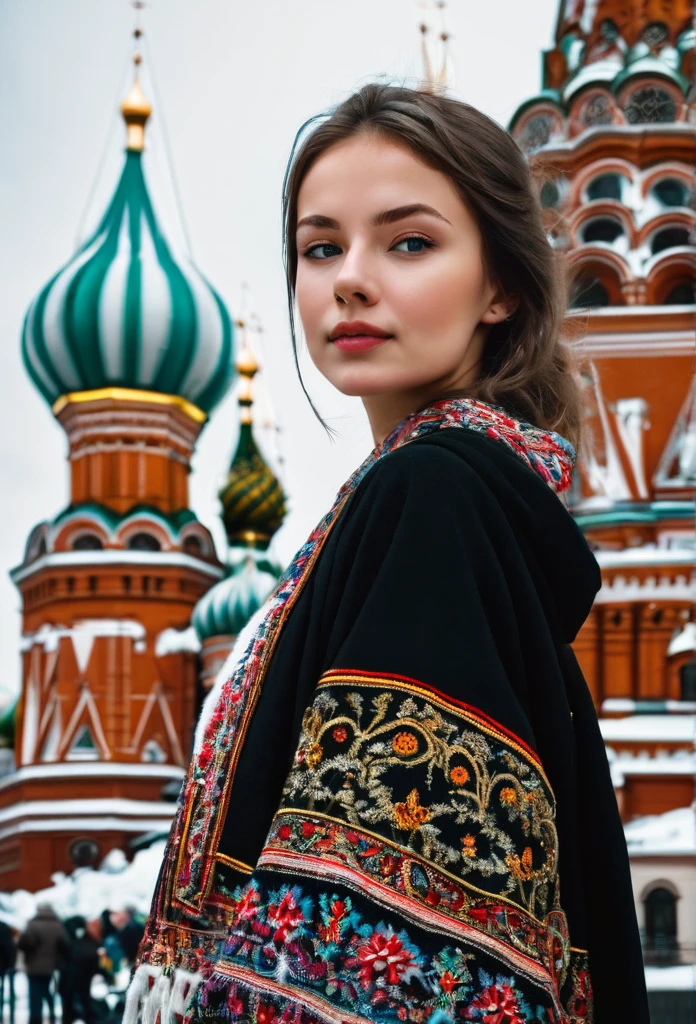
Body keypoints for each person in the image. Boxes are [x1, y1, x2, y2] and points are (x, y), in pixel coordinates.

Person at [126, 84, 649, 1024]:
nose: (350, 280)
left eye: (409, 242)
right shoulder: (422, 496)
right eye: (321, 247)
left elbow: (379, 955)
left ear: (501, 287)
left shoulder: (435, 496)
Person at [18, 903, 69, 1024]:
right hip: (49, 967)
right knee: (46, 991)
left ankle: (35, 1020)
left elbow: (23, 944)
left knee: (34, 995)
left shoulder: (32, 924)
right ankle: (52, 1015)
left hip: (33, 966)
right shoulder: (57, 925)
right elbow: (66, 945)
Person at [58, 916, 100, 1024]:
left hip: (68, 977)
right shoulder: (89, 941)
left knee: (68, 1007)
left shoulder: (67, 939)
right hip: (84, 978)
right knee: (86, 1003)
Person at [0, 919, 16, 1024]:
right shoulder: (5, 926)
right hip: (7, 963)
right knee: (10, 990)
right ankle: (11, 1016)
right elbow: (10, 946)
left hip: (4, 962)